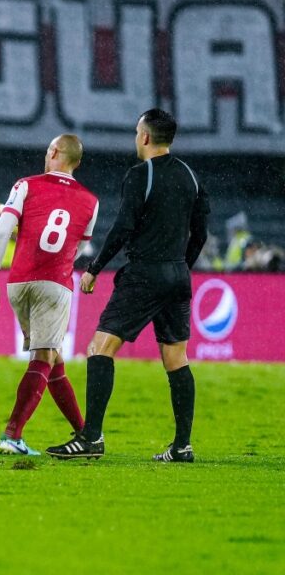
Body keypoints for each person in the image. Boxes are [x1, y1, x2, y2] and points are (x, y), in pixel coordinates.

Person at [48, 109, 209, 462]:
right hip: (178, 275)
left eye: (138, 132)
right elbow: (201, 233)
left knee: (99, 348)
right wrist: (182, 266)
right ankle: (182, 446)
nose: (136, 138)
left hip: (144, 275)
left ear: (146, 137)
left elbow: (123, 227)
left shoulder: (140, 175)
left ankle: (91, 438)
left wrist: (94, 268)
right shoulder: (191, 177)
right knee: (176, 359)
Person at [0, 134, 98, 455]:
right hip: (55, 284)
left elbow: (3, 230)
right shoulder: (90, 200)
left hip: (18, 283)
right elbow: (82, 246)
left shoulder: (25, 185)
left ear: (54, 152)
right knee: (44, 357)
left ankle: (86, 433)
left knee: (54, 358)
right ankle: (12, 435)